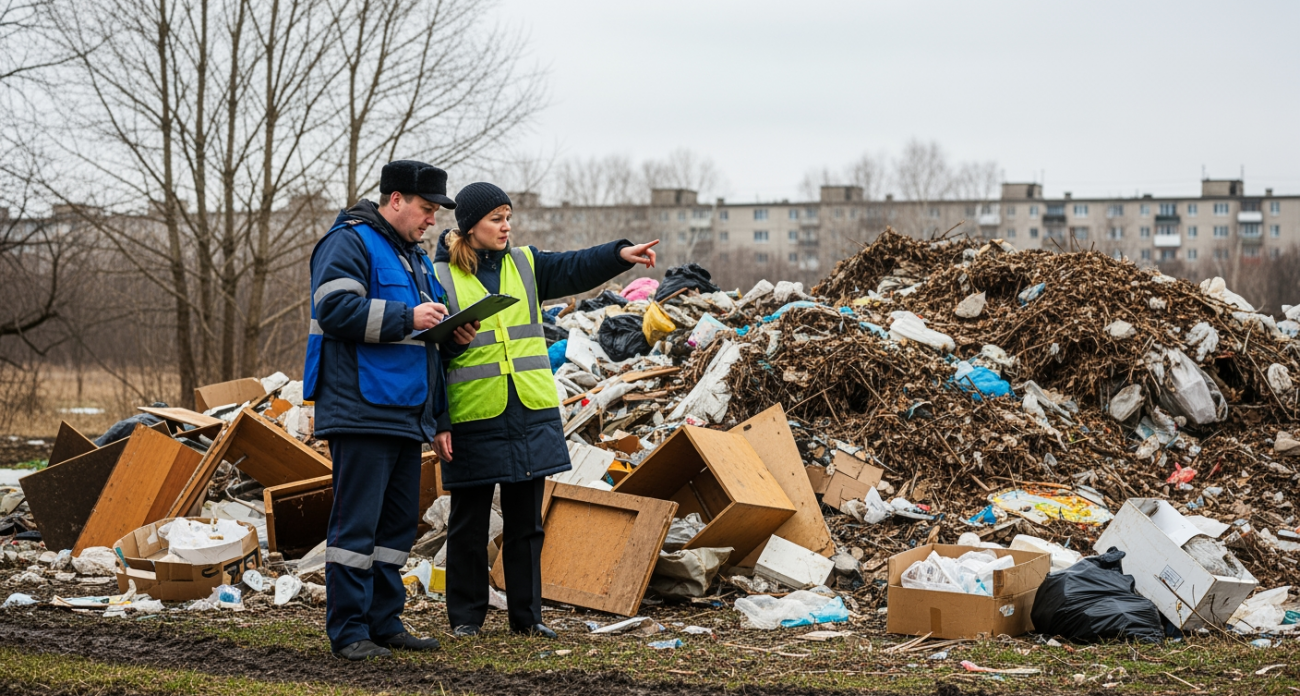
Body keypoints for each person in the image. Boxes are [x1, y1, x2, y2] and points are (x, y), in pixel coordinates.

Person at [432, 182, 658, 637]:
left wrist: (620, 255)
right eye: (496, 219)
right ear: (470, 226)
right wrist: (438, 420)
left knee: (526, 524)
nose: (506, 226)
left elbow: (574, 266)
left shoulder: (525, 263)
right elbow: (426, 355)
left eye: (507, 217)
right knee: (468, 524)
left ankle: (528, 618)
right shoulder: (436, 276)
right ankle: (465, 619)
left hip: (529, 410)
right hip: (472, 413)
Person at [303, 160, 480, 661]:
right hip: (361, 407)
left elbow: (424, 338)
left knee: (396, 530)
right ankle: (349, 632)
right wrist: (410, 316)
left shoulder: (415, 258)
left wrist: (454, 337)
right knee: (356, 528)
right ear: (396, 200)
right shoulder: (350, 242)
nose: (431, 221)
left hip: (405, 413)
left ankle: (384, 622)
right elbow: (334, 309)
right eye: (426, 209)